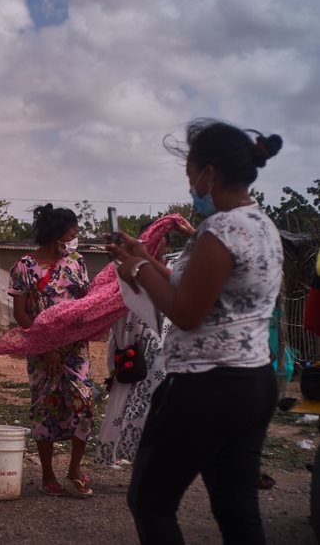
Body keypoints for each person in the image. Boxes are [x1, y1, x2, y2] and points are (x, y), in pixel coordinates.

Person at [109, 119, 284, 544]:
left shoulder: (219, 230)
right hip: (253, 382)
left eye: (192, 177)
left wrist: (134, 269)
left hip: (206, 387)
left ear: (210, 173)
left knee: (151, 502)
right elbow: (200, 289)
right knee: (236, 509)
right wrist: (147, 262)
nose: (192, 188)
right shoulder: (262, 225)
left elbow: (186, 312)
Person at [8, 204, 93, 497]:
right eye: (72, 234)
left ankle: (75, 469)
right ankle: (48, 475)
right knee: (46, 407)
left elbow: (86, 302)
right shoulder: (24, 267)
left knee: (84, 403)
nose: (75, 239)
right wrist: (46, 347)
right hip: (42, 351)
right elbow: (21, 314)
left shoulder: (77, 262)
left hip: (75, 348)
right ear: (56, 235)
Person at [94, 221, 193, 466]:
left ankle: (144, 453)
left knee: (155, 401)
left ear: (167, 244)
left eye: (162, 240)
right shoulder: (126, 267)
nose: (156, 244)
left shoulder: (173, 268)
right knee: (126, 393)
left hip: (164, 348)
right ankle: (113, 451)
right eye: (152, 238)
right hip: (134, 342)